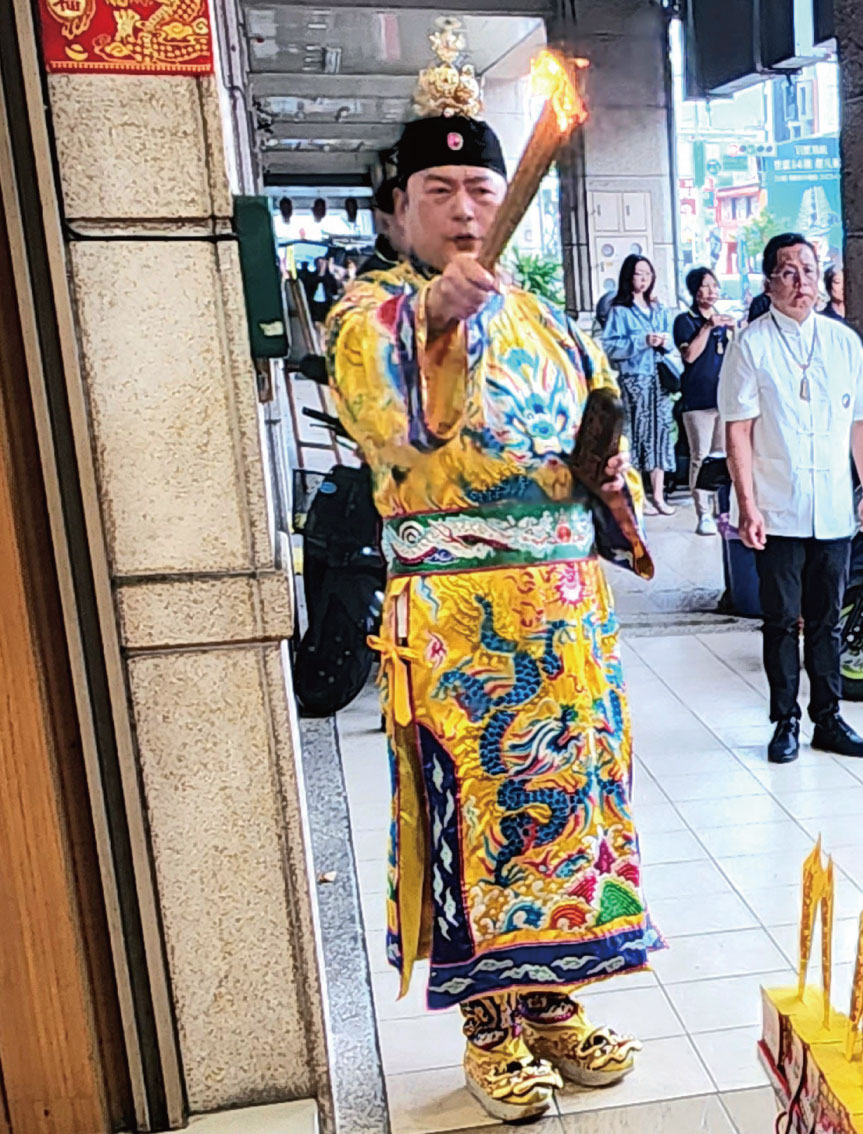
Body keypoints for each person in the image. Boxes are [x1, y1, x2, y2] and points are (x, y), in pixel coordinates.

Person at [325, 111, 654, 1122]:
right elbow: (375, 404)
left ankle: (550, 996)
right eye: (440, 193)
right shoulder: (370, 311)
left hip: (564, 617)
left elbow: (601, 425)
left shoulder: (545, 316)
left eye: (479, 192)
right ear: (399, 212)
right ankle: (485, 1022)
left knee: (573, 804)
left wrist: (604, 474)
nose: (466, 209)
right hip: (460, 625)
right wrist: (428, 318)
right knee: (473, 809)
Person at [720, 232, 863, 764]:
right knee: (779, 621)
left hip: (834, 506)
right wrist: (747, 504)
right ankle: (785, 720)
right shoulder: (751, 344)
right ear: (769, 281)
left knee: (827, 621)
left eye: (809, 271)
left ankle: (829, 718)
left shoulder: (842, 342)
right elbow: (738, 432)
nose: (801, 282)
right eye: (788, 272)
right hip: (777, 507)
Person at [601, 254, 680, 516]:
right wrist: (641, 340)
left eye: (647, 273)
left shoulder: (659, 309)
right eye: (638, 273)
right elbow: (610, 347)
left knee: (660, 435)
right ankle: (639, 495)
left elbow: (672, 345)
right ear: (628, 277)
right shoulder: (619, 310)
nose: (644, 279)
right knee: (636, 436)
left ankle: (658, 495)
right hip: (634, 379)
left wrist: (663, 341)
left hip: (658, 380)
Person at [675, 266, 734, 534]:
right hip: (697, 399)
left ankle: (721, 508)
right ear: (694, 290)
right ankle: (702, 513)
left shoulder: (723, 320)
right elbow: (689, 356)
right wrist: (708, 328)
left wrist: (734, 328)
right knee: (699, 455)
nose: (712, 291)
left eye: (715, 286)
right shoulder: (685, 320)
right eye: (706, 286)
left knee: (720, 455)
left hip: (724, 397)